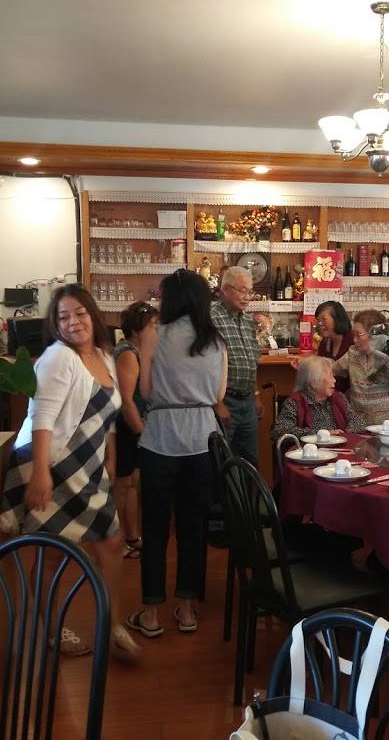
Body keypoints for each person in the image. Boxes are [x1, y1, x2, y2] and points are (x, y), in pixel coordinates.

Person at [0, 284, 141, 662]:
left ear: (92, 315)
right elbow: (41, 418)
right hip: (54, 462)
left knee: (111, 542)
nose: (73, 322)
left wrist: (110, 455)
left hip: (88, 465)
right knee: (52, 553)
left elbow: (108, 415)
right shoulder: (58, 357)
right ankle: (51, 628)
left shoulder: (104, 355)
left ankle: (112, 624)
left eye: (79, 313)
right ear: (55, 325)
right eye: (63, 317)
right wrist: (40, 474)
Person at [129, 269, 226, 639]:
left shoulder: (154, 334)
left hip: (160, 440)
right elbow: (218, 395)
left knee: (154, 528)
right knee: (193, 528)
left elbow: (146, 391)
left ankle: (151, 613)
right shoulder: (215, 340)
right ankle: (186, 611)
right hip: (203, 440)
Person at [113, 301, 158, 560]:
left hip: (137, 424)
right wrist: (141, 432)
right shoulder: (128, 353)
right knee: (122, 484)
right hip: (126, 425)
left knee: (132, 482)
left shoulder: (141, 351)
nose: (157, 329)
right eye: (153, 325)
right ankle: (115, 540)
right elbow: (126, 400)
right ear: (137, 328)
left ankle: (132, 537)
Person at [210, 266, 262, 464]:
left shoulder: (248, 321)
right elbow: (206, 366)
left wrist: (256, 395)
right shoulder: (211, 317)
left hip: (247, 401)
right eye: (242, 290)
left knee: (249, 462)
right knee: (223, 460)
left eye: (250, 291)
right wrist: (218, 403)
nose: (247, 297)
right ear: (225, 289)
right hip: (225, 400)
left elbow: (251, 361)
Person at [333, 309, 389, 425]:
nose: (354, 340)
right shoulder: (353, 353)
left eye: (359, 335)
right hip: (359, 425)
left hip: (388, 426)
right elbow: (332, 370)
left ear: (374, 335)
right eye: (354, 335)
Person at [272, 355, 366, 440]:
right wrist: (320, 434)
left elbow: (359, 423)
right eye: (330, 376)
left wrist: (342, 436)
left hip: (338, 449)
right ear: (314, 382)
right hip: (308, 451)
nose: (334, 380)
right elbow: (280, 431)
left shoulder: (339, 398)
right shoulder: (295, 402)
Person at [314, 300, 353, 393]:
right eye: (318, 320)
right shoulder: (324, 343)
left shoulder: (352, 341)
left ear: (337, 320)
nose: (320, 324)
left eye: (324, 319)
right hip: (329, 396)